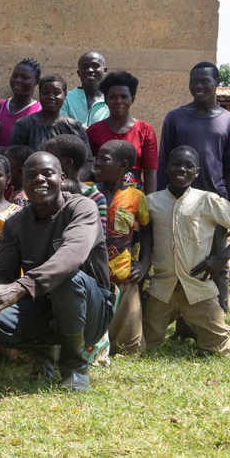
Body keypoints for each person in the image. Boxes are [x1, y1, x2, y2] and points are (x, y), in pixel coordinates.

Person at [0, 152, 115, 391]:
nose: (39, 179)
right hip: (42, 306)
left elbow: (72, 255)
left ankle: (75, 367)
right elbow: (3, 274)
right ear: (22, 183)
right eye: (31, 176)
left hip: (91, 309)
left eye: (47, 173)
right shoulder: (15, 224)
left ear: (61, 177)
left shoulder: (82, 208)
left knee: (69, 280)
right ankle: (43, 357)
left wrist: (19, 287)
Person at [144, 146, 230, 355]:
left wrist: (221, 258)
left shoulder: (207, 200)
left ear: (197, 173)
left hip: (198, 288)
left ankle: (197, 328)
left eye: (189, 166)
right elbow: (146, 239)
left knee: (218, 349)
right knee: (141, 345)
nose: (182, 169)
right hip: (162, 288)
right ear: (166, 168)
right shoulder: (152, 202)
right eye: (176, 164)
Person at [158, 62, 230, 316]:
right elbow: (164, 162)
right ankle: (182, 319)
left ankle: (218, 315)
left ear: (217, 83)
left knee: (218, 259)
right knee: (181, 259)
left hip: (215, 202)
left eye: (204, 81)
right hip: (179, 203)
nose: (198, 86)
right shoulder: (175, 117)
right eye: (193, 81)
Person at [93, 140, 151, 356]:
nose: (96, 163)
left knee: (129, 337)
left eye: (103, 159)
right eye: (96, 158)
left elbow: (146, 230)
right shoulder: (88, 192)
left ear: (123, 166)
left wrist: (145, 262)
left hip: (122, 273)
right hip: (92, 273)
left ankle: (124, 346)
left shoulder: (136, 197)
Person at [87, 71, 158, 193]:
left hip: (134, 194)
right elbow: (87, 167)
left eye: (124, 97)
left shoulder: (145, 130)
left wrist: (150, 204)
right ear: (106, 100)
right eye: (113, 97)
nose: (118, 101)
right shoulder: (94, 130)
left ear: (132, 100)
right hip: (102, 193)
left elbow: (150, 171)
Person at [10, 74, 90, 154]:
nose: (51, 97)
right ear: (39, 94)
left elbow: (87, 161)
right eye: (45, 93)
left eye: (56, 93)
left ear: (65, 95)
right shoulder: (23, 125)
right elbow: (16, 159)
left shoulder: (74, 127)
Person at [45, 135, 107, 232]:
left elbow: (99, 234)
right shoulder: (43, 191)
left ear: (67, 162)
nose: (43, 158)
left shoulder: (95, 197)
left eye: (49, 156)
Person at [0, 59, 42, 153]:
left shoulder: (40, 111)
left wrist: (1, 150)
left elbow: (37, 150)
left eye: (25, 77)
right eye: (15, 76)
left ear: (37, 81)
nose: (18, 80)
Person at [60, 51, 109, 127]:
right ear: (78, 73)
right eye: (84, 67)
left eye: (95, 66)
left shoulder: (111, 99)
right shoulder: (66, 98)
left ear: (104, 70)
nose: (90, 70)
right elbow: (62, 126)